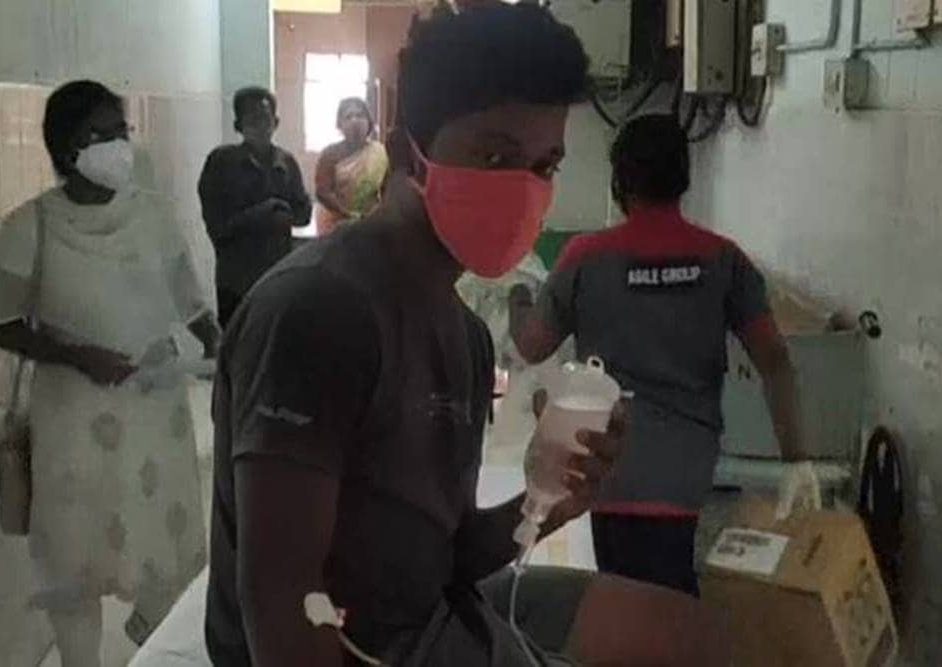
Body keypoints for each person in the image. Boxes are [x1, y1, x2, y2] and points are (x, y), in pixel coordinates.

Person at [205, 6, 729, 666]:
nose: (524, 189)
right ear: (407, 154)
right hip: (364, 645)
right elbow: (282, 600)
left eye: (545, 165)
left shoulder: (465, 336)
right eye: (495, 156)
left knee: (693, 635)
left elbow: (446, 555)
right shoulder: (320, 311)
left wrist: (548, 502)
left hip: (439, 611)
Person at [510, 113, 807, 597]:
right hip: (690, 480)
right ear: (683, 178)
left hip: (609, 468)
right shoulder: (723, 259)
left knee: (624, 605)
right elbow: (774, 360)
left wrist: (517, 299)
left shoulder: (586, 257)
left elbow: (532, 344)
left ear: (619, 181)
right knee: (675, 604)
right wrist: (797, 460)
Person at [0, 80, 217, 667]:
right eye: (101, 134)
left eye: (122, 131)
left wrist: (228, 351)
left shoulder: (153, 215)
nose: (118, 146)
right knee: (74, 554)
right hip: (73, 420)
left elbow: (191, 302)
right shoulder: (30, 227)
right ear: (66, 149)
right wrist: (79, 356)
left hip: (153, 418)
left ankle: (151, 640)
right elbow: (1, 324)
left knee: (164, 550)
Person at [198, 87, 312, 327]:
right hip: (236, 281)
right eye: (251, 119)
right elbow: (218, 227)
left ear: (276, 122)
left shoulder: (286, 163)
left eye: (265, 118)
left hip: (278, 276)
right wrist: (264, 212)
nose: (260, 126)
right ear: (238, 125)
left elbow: (303, 214)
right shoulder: (221, 163)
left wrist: (285, 212)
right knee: (237, 340)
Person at [314, 97, 389, 235]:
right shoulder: (330, 154)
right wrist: (348, 215)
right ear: (340, 124)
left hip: (370, 221)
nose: (355, 121)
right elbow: (323, 192)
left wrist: (374, 215)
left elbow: (386, 190)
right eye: (348, 117)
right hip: (335, 223)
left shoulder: (380, 152)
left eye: (360, 115)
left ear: (369, 122)